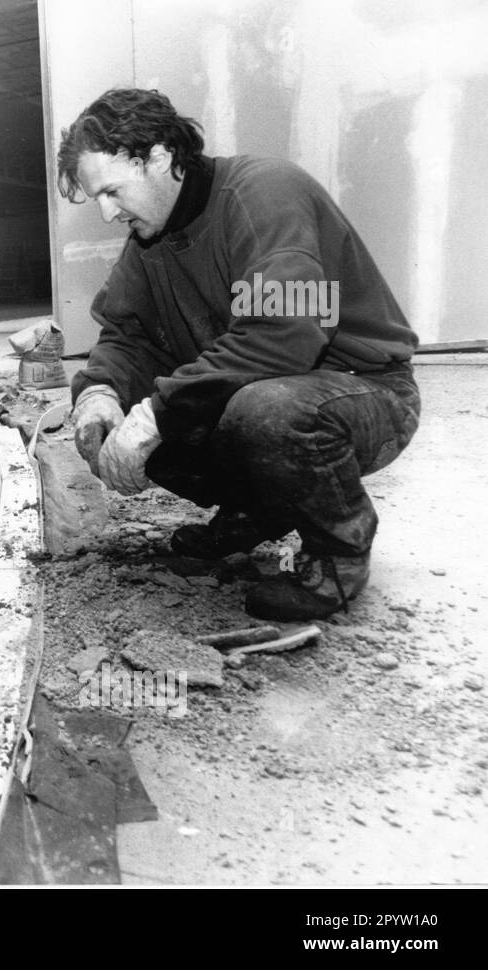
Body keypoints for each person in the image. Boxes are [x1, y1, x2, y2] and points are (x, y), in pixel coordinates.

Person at [57, 88, 420, 620]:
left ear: (159, 157)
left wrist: (155, 417)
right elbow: (126, 333)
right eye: (99, 199)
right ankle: (258, 510)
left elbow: (286, 333)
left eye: (112, 191)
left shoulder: (265, 194)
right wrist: (100, 393)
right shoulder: (151, 239)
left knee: (260, 412)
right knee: (140, 411)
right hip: (264, 389)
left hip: (360, 390)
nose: (109, 213)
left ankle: (338, 557)